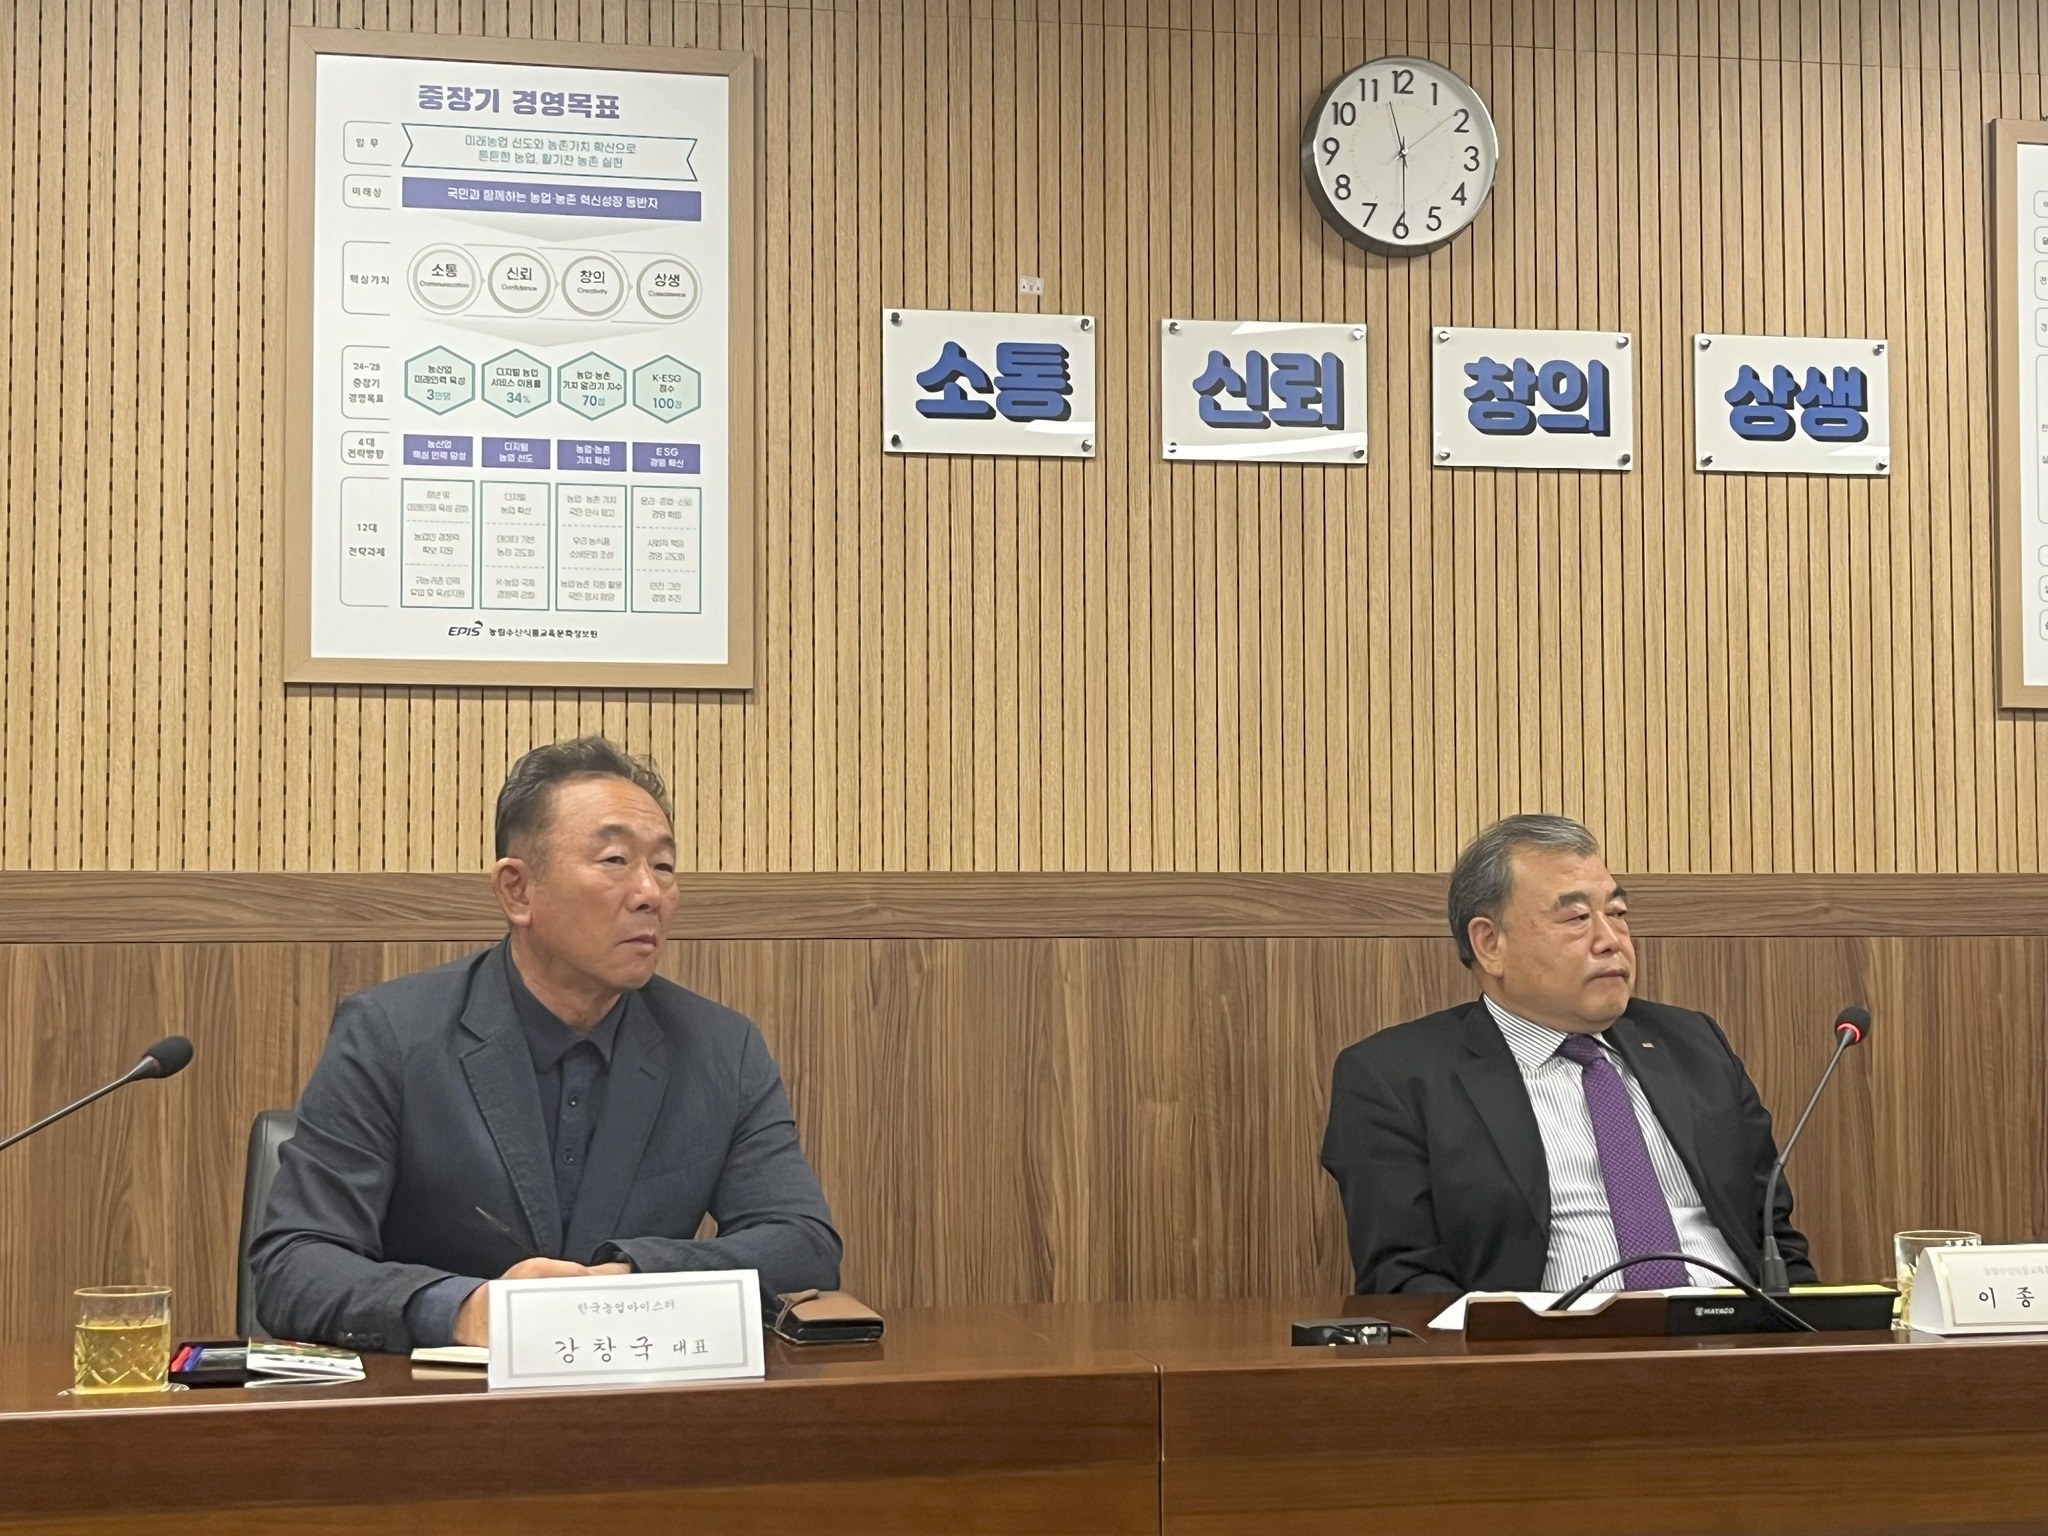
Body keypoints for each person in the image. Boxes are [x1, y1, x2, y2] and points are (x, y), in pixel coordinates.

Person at [252, 737, 840, 1351]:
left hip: (637, 1392)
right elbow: (296, 1262)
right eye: (615, 860)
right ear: (518, 890)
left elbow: (802, 1245)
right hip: (443, 1396)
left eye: (664, 866)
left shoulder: (720, 1048)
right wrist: (463, 1308)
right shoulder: (390, 1034)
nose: (649, 893)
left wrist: (629, 1282)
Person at [1321, 813, 1814, 1296]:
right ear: (1489, 944)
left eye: (1617, 914)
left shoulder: (1695, 1044)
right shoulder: (1395, 1077)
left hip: (1736, 1332)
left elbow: (1776, 1239)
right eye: (1577, 918)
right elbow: (1404, 1280)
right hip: (1547, 1343)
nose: (1611, 941)